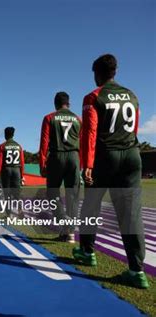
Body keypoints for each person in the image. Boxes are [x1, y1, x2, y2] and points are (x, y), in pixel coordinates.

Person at [73, 54, 149, 289]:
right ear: (115, 72)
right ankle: (137, 270)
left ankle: (87, 251)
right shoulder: (132, 96)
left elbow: (90, 132)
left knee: (91, 204)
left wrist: (87, 164)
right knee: (131, 213)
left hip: (106, 156)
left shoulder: (94, 96)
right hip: (131, 155)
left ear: (97, 73)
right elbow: (134, 127)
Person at [39, 92, 81, 243]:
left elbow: (44, 143)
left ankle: (64, 222)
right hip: (74, 157)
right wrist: (81, 164)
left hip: (56, 157)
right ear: (68, 104)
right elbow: (82, 142)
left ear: (55, 104)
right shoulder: (77, 119)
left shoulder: (49, 118)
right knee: (73, 196)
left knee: (52, 193)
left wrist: (42, 163)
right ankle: (70, 233)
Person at [0, 127, 25, 216]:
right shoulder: (19, 146)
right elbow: (22, 162)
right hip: (16, 170)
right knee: (17, 192)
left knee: (7, 193)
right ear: (13, 134)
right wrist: (22, 175)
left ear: (5, 135)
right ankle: (20, 210)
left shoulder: (2, 146)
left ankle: (9, 214)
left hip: (6, 170)